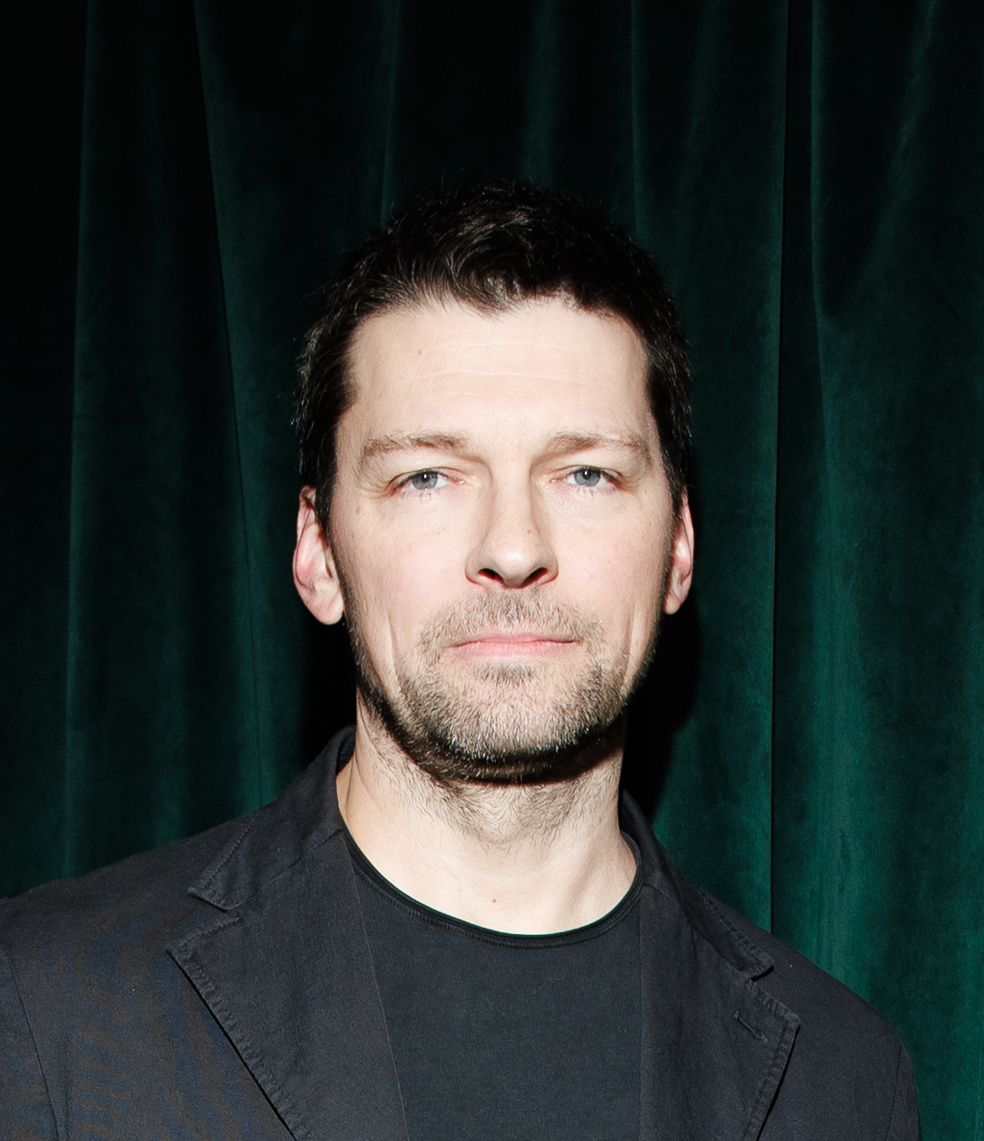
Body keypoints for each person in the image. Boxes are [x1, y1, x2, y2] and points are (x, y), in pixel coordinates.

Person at [0, 181, 919, 1139]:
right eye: (427, 476)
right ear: (318, 553)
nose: (513, 547)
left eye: (587, 473)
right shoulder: (49, 1008)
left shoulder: (843, 1079)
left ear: (680, 546)